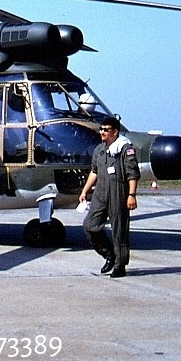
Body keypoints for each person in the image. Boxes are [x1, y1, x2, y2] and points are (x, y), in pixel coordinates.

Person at [79, 117, 140, 278]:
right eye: (101, 129)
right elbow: (94, 171)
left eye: (106, 130)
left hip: (118, 190)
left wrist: (131, 195)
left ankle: (120, 265)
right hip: (100, 191)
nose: (102, 132)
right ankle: (109, 254)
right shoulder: (99, 149)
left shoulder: (125, 149)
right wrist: (85, 191)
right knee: (90, 225)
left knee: (119, 230)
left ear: (115, 132)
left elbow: (132, 174)